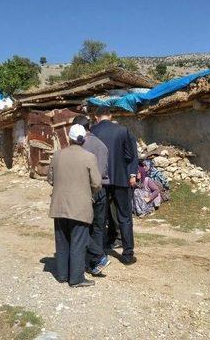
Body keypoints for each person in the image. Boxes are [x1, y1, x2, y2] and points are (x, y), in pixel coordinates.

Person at [47, 124, 102, 287]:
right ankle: (76, 278)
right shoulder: (89, 157)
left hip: (59, 204)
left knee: (62, 240)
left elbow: (50, 179)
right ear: (83, 138)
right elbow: (97, 183)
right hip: (80, 205)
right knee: (78, 241)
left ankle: (62, 275)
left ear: (69, 138)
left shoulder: (57, 156)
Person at [90, 106, 138, 265]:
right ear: (110, 115)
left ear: (96, 117)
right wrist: (132, 173)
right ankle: (128, 254)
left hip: (99, 181)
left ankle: (100, 253)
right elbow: (131, 155)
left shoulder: (92, 132)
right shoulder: (123, 130)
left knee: (100, 217)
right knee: (124, 216)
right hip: (120, 178)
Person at [71, 115, 111, 276]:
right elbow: (102, 171)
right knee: (98, 227)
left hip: (84, 190)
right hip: (100, 189)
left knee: (81, 226)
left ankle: (87, 259)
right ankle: (95, 262)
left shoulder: (77, 145)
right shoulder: (101, 145)